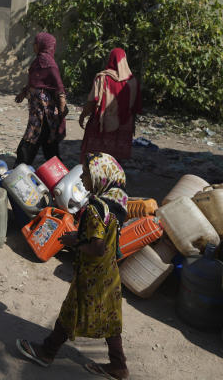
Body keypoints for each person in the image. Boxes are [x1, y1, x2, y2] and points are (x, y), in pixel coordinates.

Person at [16, 153, 130, 380]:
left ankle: (47, 352)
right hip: (110, 272)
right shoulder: (119, 199)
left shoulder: (95, 208)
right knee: (110, 318)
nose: (83, 180)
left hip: (92, 272)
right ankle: (119, 366)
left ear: (100, 177)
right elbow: (107, 237)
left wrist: (75, 241)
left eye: (87, 174)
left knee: (70, 311)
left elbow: (97, 247)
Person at [78, 48, 141, 164]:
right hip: (124, 124)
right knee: (115, 159)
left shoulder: (103, 78)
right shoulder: (133, 81)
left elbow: (92, 101)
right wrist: (132, 125)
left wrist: (83, 115)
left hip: (103, 124)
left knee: (94, 157)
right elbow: (135, 107)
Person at [14, 32, 67, 166]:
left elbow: (59, 86)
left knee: (33, 138)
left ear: (43, 45)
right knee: (47, 143)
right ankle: (56, 171)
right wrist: (23, 93)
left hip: (44, 113)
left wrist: (61, 108)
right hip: (36, 110)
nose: (33, 46)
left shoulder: (50, 64)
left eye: (35, 43)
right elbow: (34, 82)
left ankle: (20, 167)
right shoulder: (38, 62)